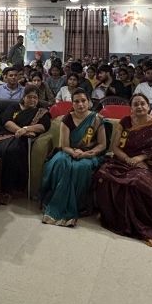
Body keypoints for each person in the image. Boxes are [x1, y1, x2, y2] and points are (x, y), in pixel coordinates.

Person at [93, 93, 152, 247]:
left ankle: (137, 224)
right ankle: (113, 218)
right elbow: (115, 147)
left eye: (142, 103)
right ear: (130, 108)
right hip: (122, 161)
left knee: (136, 182)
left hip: (146, 164)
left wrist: (141, 157)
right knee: (104, 174)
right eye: (135, 104)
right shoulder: (125, 122)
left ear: (148, 106)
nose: (139, 107)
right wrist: (127, 159)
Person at [40, 88, 107, 227]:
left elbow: (102, 144)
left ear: (89, 102)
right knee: (60, 163)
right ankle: (57, 203)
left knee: (80, 167)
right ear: (72, 103)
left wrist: (87, 153)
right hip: (68, 152)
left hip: (89, 154)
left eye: (83, 101)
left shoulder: (96, 119)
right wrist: (74, 152)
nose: (80, 104)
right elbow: (64, 145)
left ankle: (77, 205)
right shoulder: (67, 119)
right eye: (76, 101)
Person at [0, 86, 51, 198]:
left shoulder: (41, 111)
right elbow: (6, 121)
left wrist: (26, 129)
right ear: (23, 97)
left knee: (12, 151)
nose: (32, 100)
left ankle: (9, 189)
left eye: (35, 97)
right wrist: (19, 130)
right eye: (29, 97)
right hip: (6, 134)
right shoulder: (14, 107)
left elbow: (43, 126)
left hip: (24, 139)